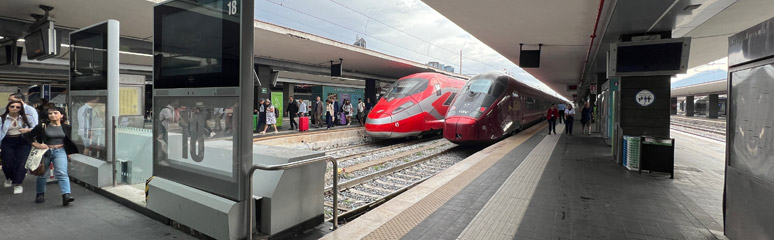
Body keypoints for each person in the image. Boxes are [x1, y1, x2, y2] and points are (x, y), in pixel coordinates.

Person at [26, 107, 78, 205]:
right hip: (45, 151)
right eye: (50, 113)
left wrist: (69, 153)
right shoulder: (42, 126)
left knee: (62, 172)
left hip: (60, 151)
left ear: (61, 115)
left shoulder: (66, 127)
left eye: (55, 113)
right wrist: (36, 144)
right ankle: (40, 193)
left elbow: (68, 140)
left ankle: (66, 195)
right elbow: (27, 136)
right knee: (42, 174)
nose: (52, 115)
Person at [1, 100, 37, 194]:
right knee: (7, 162)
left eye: (18, 107)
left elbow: (35, 128)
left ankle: (17, 183)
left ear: (21, 109)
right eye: (12, 106)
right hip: (7, 141)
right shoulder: (2, 118)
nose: (15, 109)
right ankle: (9, 177)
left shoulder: (26, 118)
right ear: (8, 107)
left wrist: (27, 130)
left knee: (22, 163)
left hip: (23, 141)